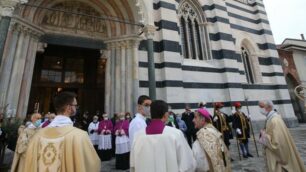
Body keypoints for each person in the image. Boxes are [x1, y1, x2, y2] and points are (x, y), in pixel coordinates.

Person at [23, 91, 101, 172]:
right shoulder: (80, 136)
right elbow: (93, 164)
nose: (76, 108)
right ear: (69, 108)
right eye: (75, 105)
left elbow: (29, 165)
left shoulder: (37, 136)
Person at [130, 100, 196, 172]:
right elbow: (188, 164)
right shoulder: (175, 134)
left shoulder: (138, 136)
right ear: (166, 115)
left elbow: (133, 165)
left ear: (150, 114)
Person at [258, 100, 306, 172]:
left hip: (278, 161)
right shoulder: (270, 118)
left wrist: (263, 135)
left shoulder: (275, 120)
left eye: (261, 107)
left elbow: (278, 144)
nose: (260, 109)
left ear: (269, 107)